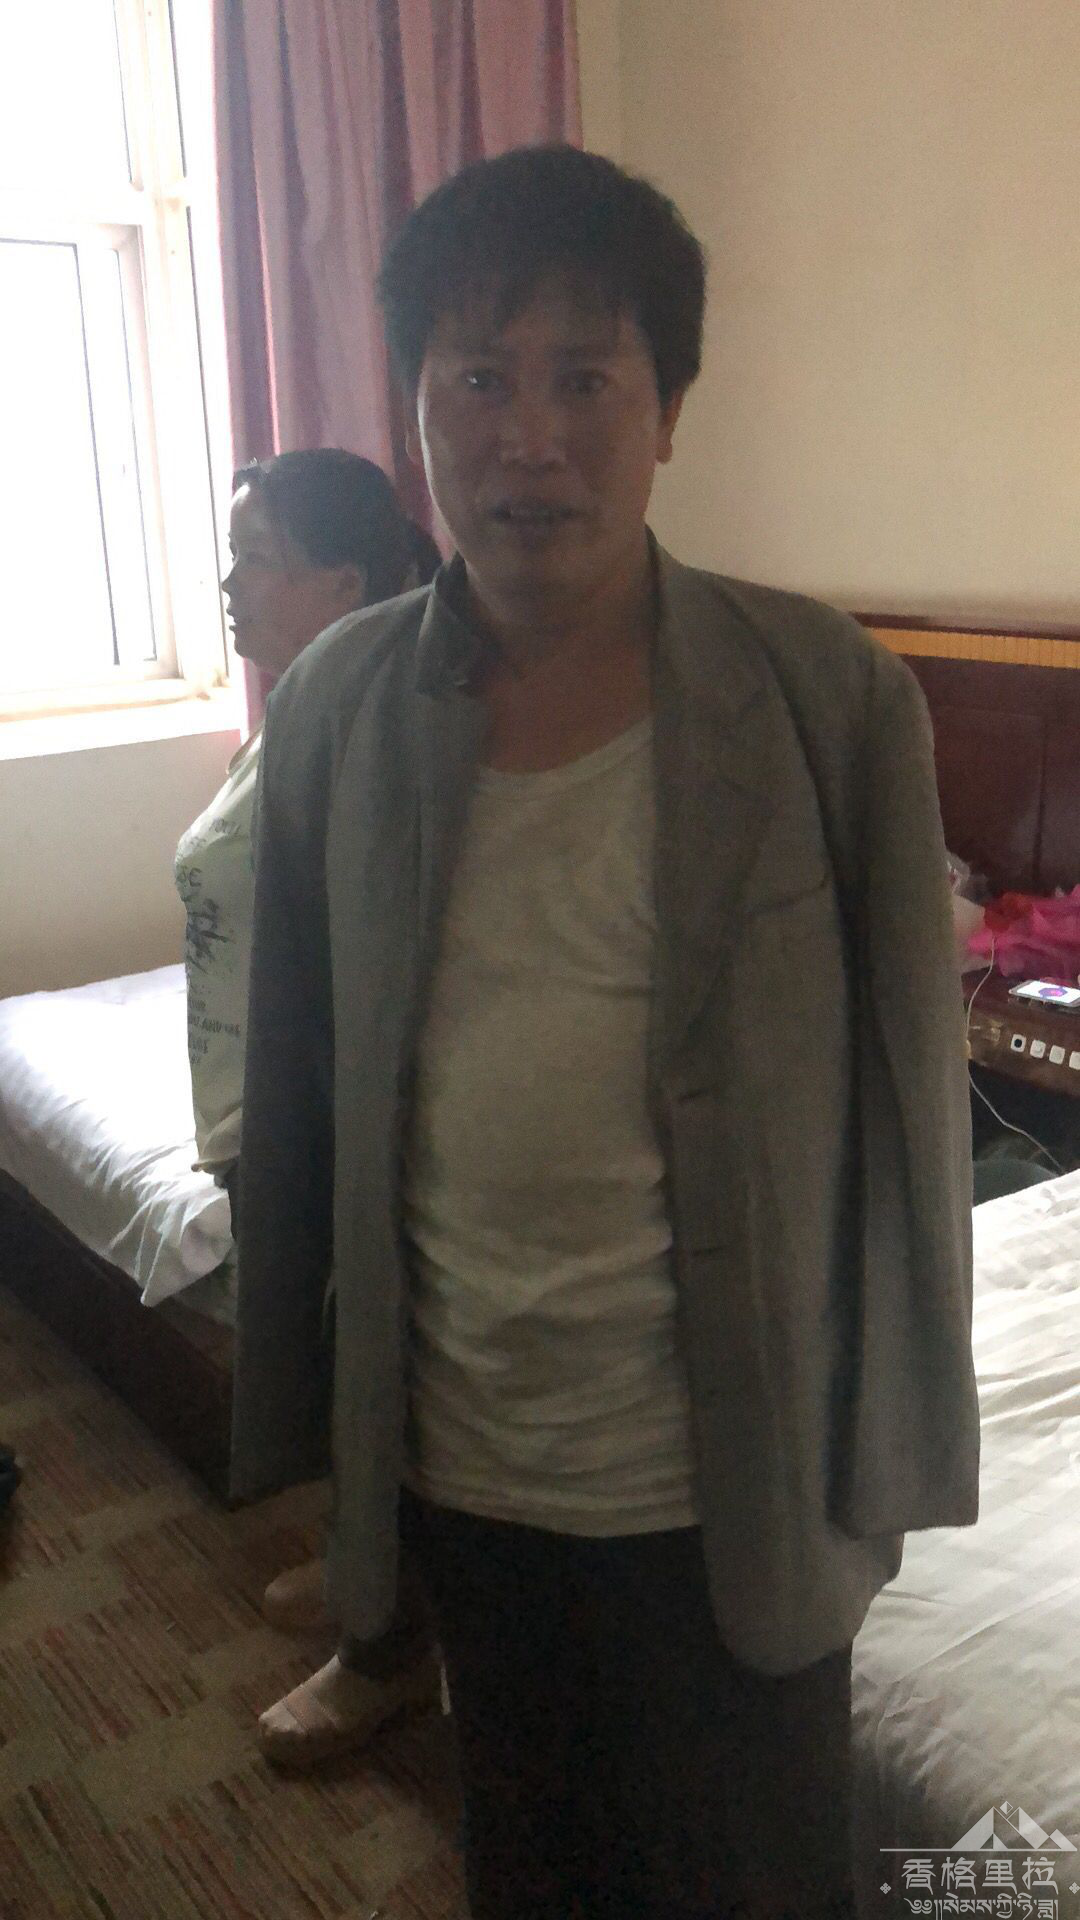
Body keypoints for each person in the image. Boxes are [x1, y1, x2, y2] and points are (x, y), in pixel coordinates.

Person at [231, 149, 979, 1917]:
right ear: (416, 410)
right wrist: (305, 1431)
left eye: (586, 378)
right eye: (479, 380)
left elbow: (911, 1108)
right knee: (536, 1858)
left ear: (670, 412)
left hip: (736, 1477)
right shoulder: (336, 711)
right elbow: (297, 1081)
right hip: (466, 1465)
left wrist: (892, 1451)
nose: (531, 438)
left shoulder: (824, 698)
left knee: (758, 1876)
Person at [175, 448, 441, 1767]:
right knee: (336, 1367)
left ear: (340, 582)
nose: (231, 583)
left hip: (321, 1110)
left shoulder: (370, 728)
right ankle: (360, 1568)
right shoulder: (292, 713)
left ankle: (387, 1648)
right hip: (262, 1101)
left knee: (375, 1369)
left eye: (255, 558)